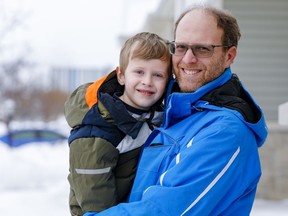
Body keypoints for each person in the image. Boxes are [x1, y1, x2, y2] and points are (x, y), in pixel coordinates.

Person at [84, 5, 268, 216]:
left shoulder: (225, 131)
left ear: (229, 56)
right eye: (180, 47)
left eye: (203, 49)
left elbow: (163, 211)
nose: (188, 59)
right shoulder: (168, 110)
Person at [64, 32, 171, 215]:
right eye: (139, 72)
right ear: (121, 75)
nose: (147, 82)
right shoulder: (97, 134)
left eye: (158, 75)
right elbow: (96, 203)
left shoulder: (155, 116)